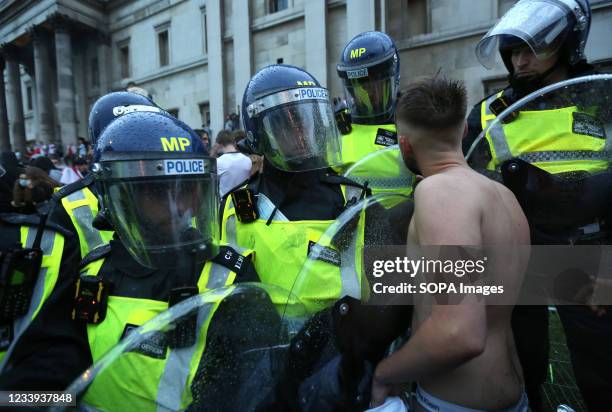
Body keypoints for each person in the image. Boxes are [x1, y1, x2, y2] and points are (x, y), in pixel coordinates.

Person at [0, 110, 265, 411]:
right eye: (156, 192)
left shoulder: (229, 275)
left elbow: (253, 388)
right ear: (119, 197)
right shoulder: (92, 273)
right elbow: (42, 380)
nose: (178, 206)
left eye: (188, 188)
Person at [465, 1, 611, 410]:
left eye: (531, 49)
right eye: (512, 51)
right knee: (521, 357)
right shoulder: (491, 113)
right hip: (517, 253)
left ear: (567, 45)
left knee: (600, 365)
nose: (519, 61)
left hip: (588, 251)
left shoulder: (603, 98)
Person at [370, 75, 530, 411]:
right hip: (512, 395)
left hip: (457, 403)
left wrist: (386, 373)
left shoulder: (440, 192)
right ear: (464, 131)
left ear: (404, 145)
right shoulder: (502, 195)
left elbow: (459, 332)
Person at [334, 31, 413, 197]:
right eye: (359, 87)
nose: (368, 93)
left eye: (374, 84)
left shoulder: (413, 123)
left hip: (406, 219)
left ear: (393, 79)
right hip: (352, 220)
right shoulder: (338, 128)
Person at [216, 130, 252, 196]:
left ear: (219, 144)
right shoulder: (248, 160)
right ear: (234, 142)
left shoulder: (218, 162)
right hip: (244, 201)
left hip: (226, 203)